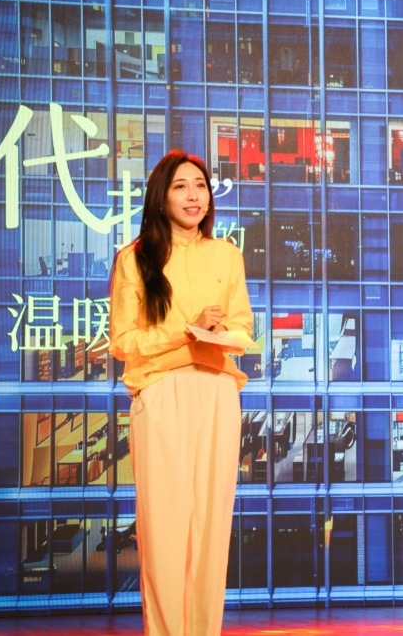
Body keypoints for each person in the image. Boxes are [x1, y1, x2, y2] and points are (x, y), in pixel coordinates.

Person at [109, 150, 252, 635]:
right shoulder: (134, 259)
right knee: (164, 530)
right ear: (160, 197)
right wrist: (187, 331)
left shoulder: (226, 254)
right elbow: (124, 342)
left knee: (212, 529)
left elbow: (243, 328)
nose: (194, 196)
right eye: (180, 187)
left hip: (218, 391)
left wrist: (220, 333)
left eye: (201, 186)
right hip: (161, 391)